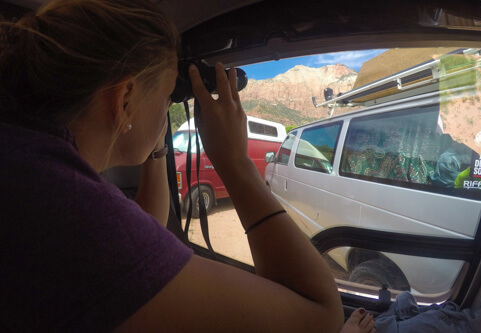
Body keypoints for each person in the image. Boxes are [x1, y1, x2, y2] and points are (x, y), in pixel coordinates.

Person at [0, 0, 376, 332]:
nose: (167, 111)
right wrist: (233, 160)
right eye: (166, 98)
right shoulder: (63, 208)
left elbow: (140, 226)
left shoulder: (29, 164)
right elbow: (320, 316)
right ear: (126, 97)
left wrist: (156, 145)